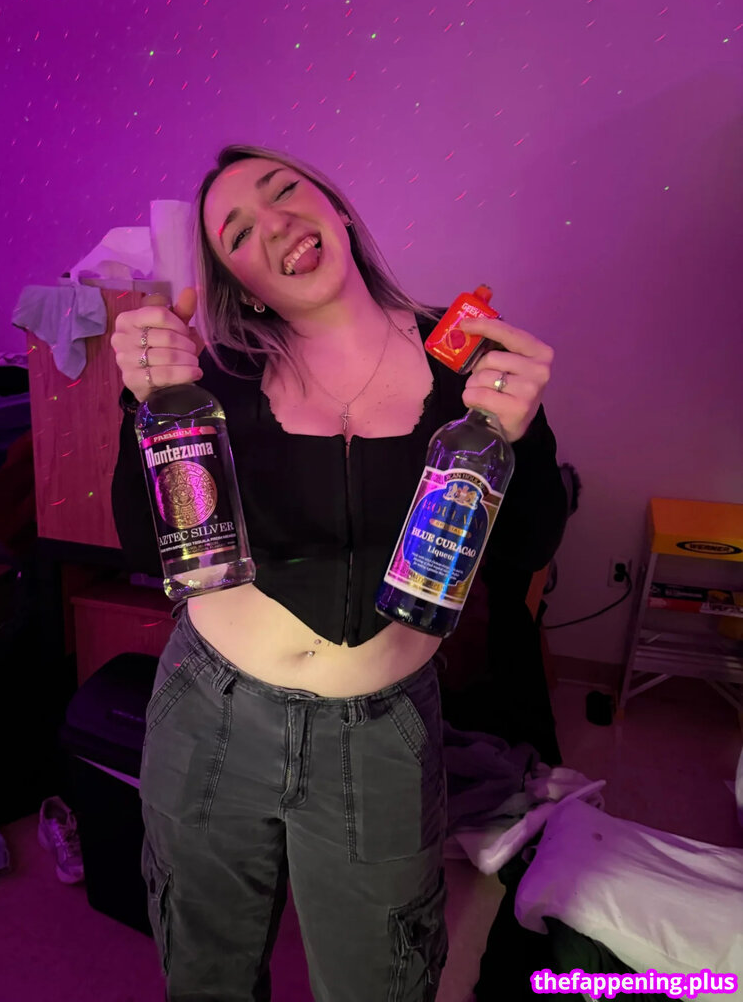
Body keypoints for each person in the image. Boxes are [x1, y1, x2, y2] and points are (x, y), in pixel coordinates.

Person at [110, 143, 567, 1002]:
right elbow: (147, 552)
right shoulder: (216, 376)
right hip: (209, 714)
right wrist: (144, 402)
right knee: (205, 969)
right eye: (238, 232)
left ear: (338, 209)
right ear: (242, 284)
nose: (274, 223)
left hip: (381, 735)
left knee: (380, 979)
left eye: (285, 190)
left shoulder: (462, 356)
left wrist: (525, 432)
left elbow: (525, 550)